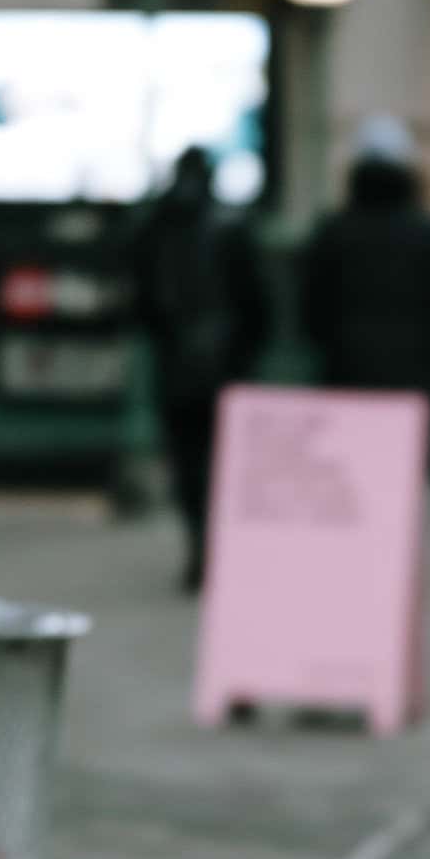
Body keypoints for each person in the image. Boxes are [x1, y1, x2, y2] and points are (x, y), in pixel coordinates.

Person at [299, 115, 430, 482]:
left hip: (348, 373)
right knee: (399, 483)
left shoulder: (333, 231)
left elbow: (312, 309)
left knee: (352, 481)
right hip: (413, 376)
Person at [135, 147, 269, 589]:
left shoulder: (155, 226)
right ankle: (217, 545)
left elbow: (142, 302)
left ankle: (199, 542)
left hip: (176, 367)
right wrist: (246, 354)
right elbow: (257, 305)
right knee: (225, 462)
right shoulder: (232, 226)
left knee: (188, 462)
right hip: (226, 368)